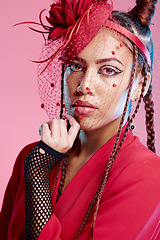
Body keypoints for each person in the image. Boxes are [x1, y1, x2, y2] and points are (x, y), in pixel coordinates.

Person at [0, 0, 160, 239]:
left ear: (140, 84)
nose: (84, 85)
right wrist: (38, 166)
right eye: (76, 65)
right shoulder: (32, 156)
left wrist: (38, 174)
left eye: (108, 70)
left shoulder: (149, 176)